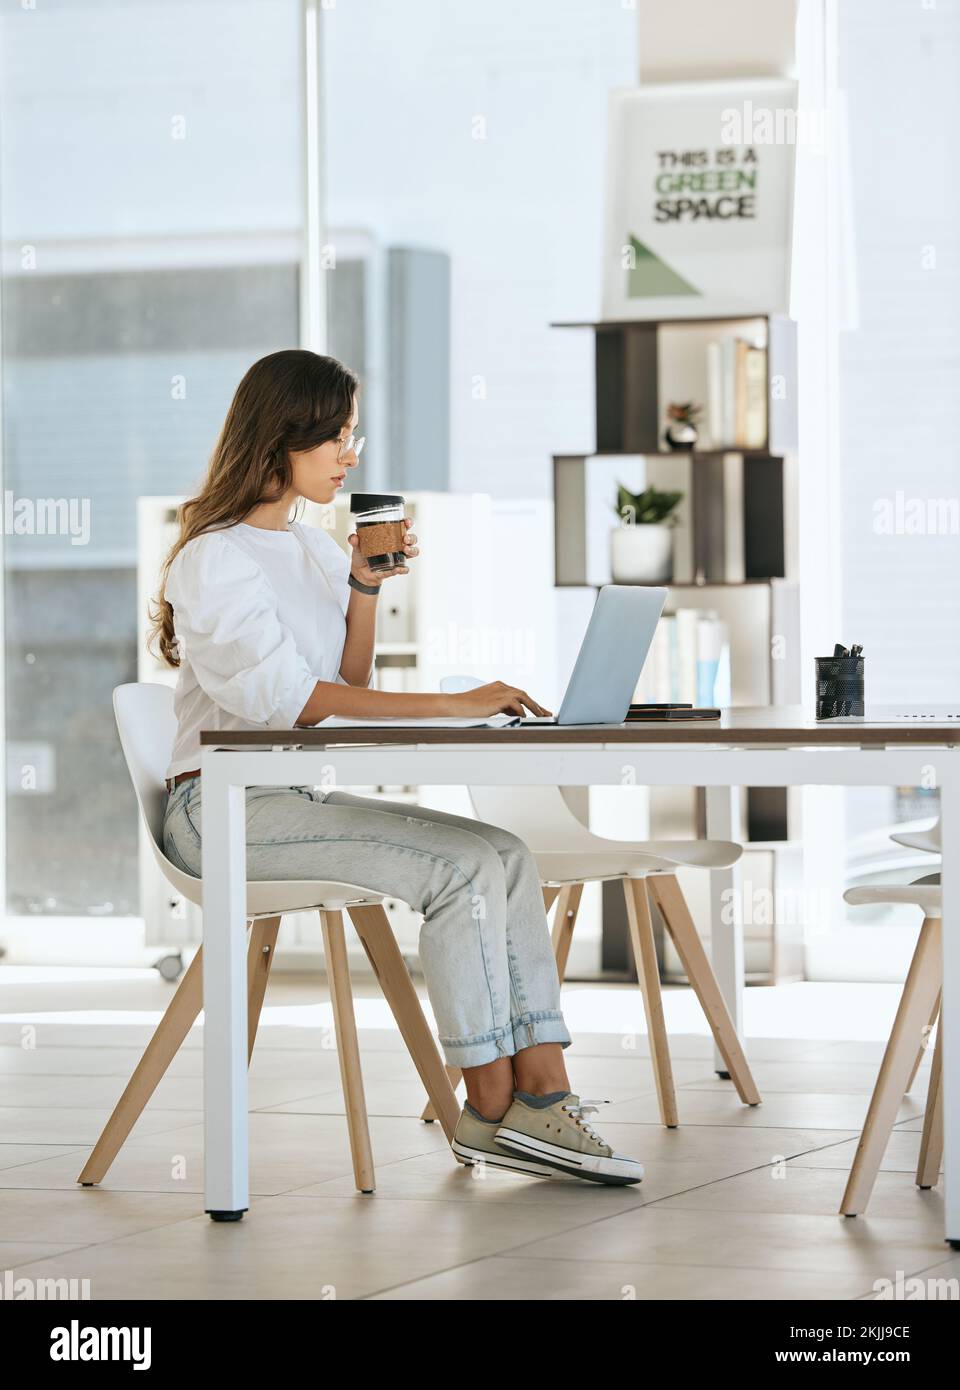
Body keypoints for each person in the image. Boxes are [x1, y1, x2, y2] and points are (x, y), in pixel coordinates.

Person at [152, 348, 643, 1186]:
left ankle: (543, 1094)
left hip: (292, 801)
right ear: (283, 437)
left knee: (506, 853)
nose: (352, 455)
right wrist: (453, 704)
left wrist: (365, 588)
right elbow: (292, 702)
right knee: (457, 870)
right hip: (223, 814)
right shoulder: (213, 557)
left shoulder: (312, 551)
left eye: (354, 437)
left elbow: (347, 685)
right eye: (338, 438)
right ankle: (489, 1110)